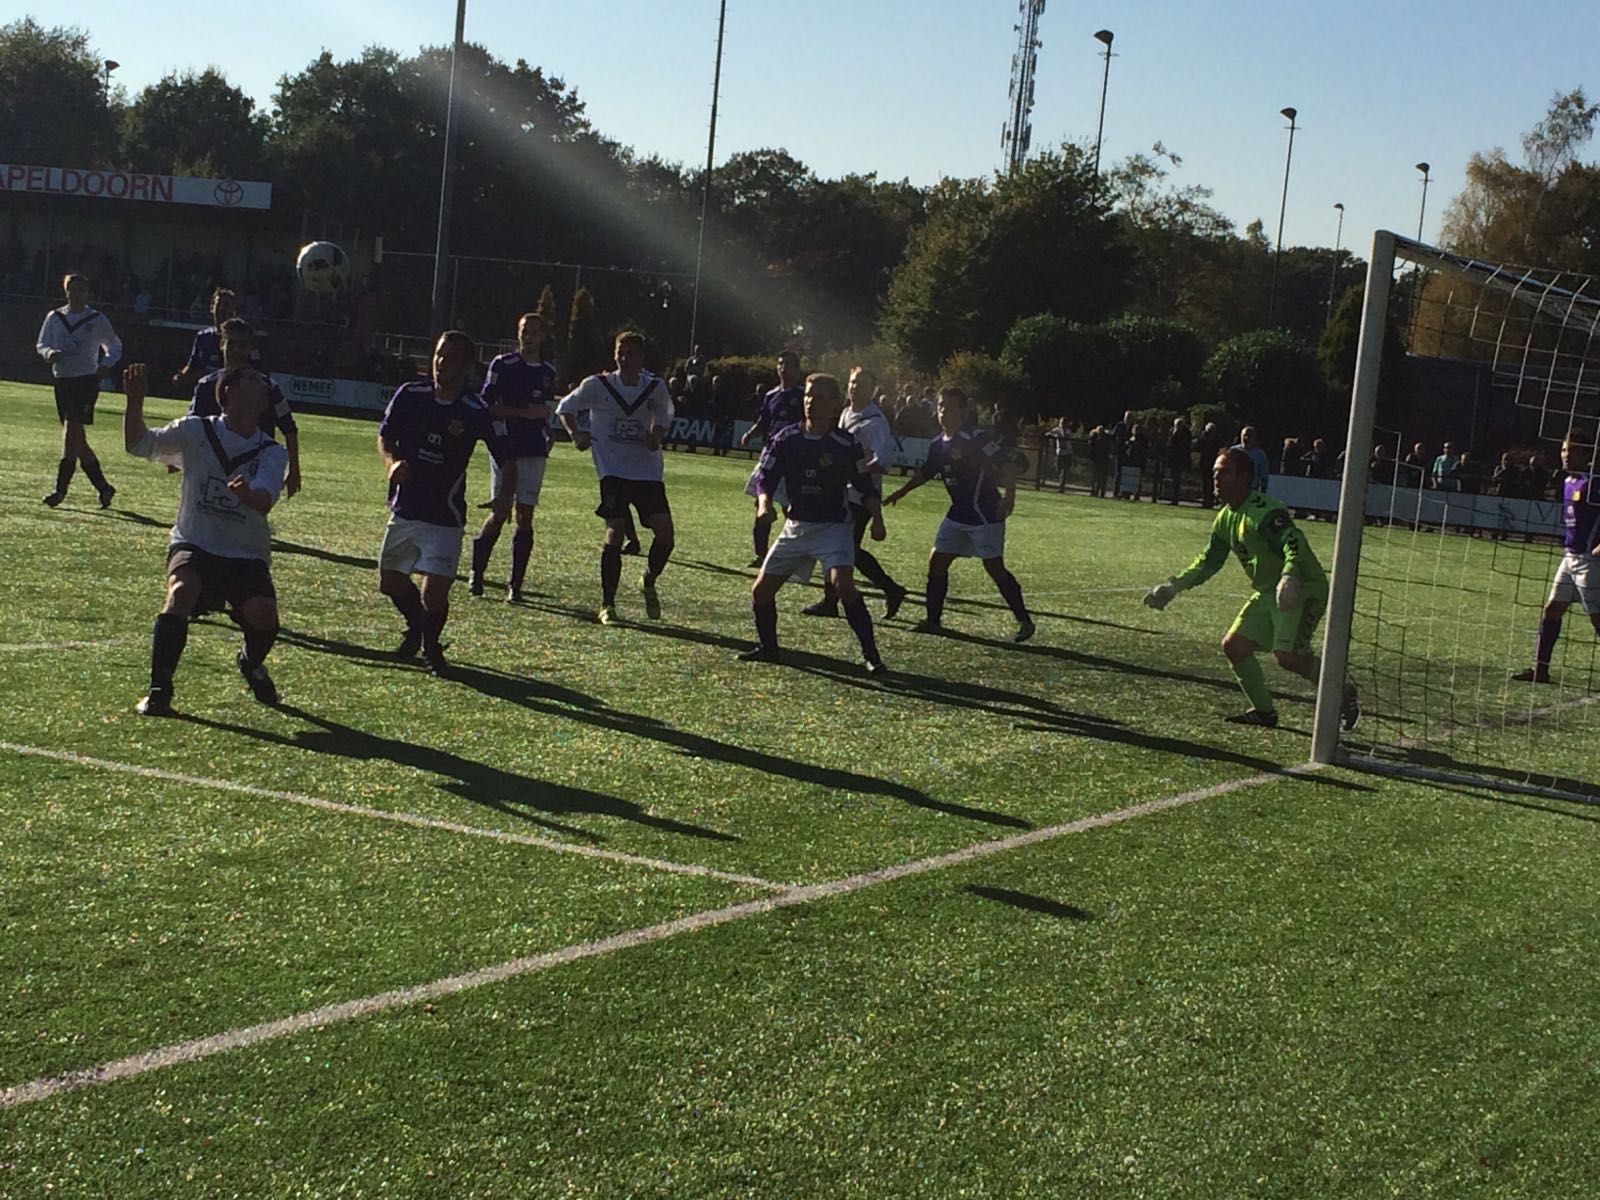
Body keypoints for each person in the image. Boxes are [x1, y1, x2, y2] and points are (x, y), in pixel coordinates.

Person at [1144, 447, 1360, 729]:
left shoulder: (1265, 511)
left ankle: (1343, 691)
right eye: (1215, 472)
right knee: (1235, 646)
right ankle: (1264, 712)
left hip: (1302, 587)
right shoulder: (1225, 517)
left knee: (1288, 657)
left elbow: (1293, 541)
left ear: (1244, 477)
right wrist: (1174, 586)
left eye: (1223, 472)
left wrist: (1290, 575)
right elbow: (1209, 561)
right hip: (1268, 591)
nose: (1216, 478)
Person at [121, 363, 288, 716]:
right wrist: (134, 402)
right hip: (195, 541)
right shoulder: (195, 430)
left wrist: (248, 496)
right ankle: (159, 690)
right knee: (181, 592)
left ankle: (250, 662)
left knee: (264, 616)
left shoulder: (272, 451)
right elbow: (139, 444)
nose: (264, 384)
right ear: (228, 391)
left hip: (245, 552)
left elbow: (265, 500)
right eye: (254, 379)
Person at [377, 331, 513, 677]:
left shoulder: (475, 410)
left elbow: (506, 459)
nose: (441, 363)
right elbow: (385, 436)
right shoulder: (410, 395)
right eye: (439, 355)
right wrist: (391, 463)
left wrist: (504, 497)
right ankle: (418, 627)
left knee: (435, 592)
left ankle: (431, 648)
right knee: (390, 582)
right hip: (406, 508)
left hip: (445, 515)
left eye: (451, 358)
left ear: (466, 367)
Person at [740, 373, 887, 674]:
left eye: (819, 397)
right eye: (808, 395)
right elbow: (766, 478)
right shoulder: (786, 439)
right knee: (761, 592)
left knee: (843, 585)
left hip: (834, 527)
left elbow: (865, 484)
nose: (810, 402)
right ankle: (769, 649)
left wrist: (877, 519)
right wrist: (764, 506)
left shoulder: (845, 444)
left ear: (834, 405)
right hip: (796, 527)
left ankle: (872, 657)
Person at [884, 386, 1035, 643]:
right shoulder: (937, 444)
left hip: (985, 513)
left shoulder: (976, 438)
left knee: (994, 567)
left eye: (950, 407)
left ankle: (1024, 620)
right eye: (941, 406)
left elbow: (1006, 462)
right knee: (937, 561)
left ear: (963, 411)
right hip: (958, 514)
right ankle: (933, 621)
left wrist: (1009, 495)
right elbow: (926, 472)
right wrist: (902, 491)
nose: (944, 411)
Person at [555, 330, 675, 626]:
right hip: (613, 470)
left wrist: (656, 436)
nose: (624, 358)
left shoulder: (655, 387)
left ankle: (648, 579)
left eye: (630, 353)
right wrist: (575, 434)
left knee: (665, 534)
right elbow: (565, 408)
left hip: (646, 471)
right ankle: (607, 604)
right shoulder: (598, 385)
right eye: (620, 352)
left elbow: (664, 415)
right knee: (615, 531)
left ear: (642, 358)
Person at [802, 366, 909, 619]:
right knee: (842, 548)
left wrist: (853, 471)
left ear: (873, 389)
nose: (854, 388)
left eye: (860, 384)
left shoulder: (876, 422)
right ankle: (887, 589)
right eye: (851, 382)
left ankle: (838, 599)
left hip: (861, 496)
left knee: (843, 547)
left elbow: (883, 461)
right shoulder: (846, 413)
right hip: (841, 492)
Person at [468, 313, 556, 602]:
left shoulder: (548, 371)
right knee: (500, 510)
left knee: (525, 515)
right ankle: (477, 572)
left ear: (542, 336)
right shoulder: (502, 365)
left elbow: (544, 409)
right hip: (506, 447)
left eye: (533, 332)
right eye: (524, 331)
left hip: (534, 449)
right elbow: (487, 405)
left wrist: (547, 429)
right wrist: (524, 414)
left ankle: (514, 586)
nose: (528, 337)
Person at [1512, 439, 1600, 683]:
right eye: (1563, 450)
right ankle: (1540, 670)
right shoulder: (1567, 482)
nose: (1565, 455)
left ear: (1586, 454)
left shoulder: (1594, 482)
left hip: (1590, 561)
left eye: (1571, 451)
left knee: (1597, 620)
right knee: (1552, 610)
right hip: (1569, 557)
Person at [36, 273, 122, 508]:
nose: (77, 294)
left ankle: (60, 490)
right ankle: (104, 487)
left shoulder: (97, 319)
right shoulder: (55, 317)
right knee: (78, 440)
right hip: (62, 381)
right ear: (66, 292)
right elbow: (42, 343)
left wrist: (105, 365)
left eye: (81, 290)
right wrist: (49, 353)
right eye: (72, 289)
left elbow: (115, 346)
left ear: (88, 293)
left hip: (85, 382)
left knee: (70, 433)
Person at [191, 318, 302, 498]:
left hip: (255, 471)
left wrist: (294, 470)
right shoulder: (206, 386)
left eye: (242, 345)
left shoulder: (267, 387)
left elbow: (289, 429)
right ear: (221, 344)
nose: (236, 350)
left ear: (250, 348)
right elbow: (193, 429)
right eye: (231, 343)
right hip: (213, 471)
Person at [739, 350, 805, 566]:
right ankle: (761, 555)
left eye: (788, 364)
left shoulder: (803, 396)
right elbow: (764, 421)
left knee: (791, 508)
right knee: (760, 503)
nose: (783, 368)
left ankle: (796, 554)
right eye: (780, 363)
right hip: (770, 456)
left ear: (797, 369)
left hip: (793, 459)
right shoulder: (771, 395)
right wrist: (750, 434)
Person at [172, 287, 259, 391]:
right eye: (219, 304)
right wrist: (181, 376)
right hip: (206, 391)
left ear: (234, 311)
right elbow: (193, 365)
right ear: (212, 308)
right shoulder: (203, 337)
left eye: (226, 305)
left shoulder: (242, 338)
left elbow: (256, 368)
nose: (222, 308)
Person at [1195, 421, 1226, 508]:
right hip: (1207, 461)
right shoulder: (1208, 436)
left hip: (1211, 461)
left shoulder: (1213, 437)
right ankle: (1207, 500)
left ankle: (1209, 500)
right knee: (1207, 482)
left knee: (1209, 482)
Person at [1234, 426, 1271, 494]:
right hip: (1235, 488)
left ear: (1254, 438)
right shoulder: (1233, 452)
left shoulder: (1260, 455)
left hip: (1251, 489)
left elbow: (1264, 475)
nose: (1246, 438)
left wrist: (1263, 491)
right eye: (1244, 435)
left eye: (1249, 436)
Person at [1165, 416, 1191, 504]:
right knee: (1173, 477)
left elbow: (1185, 445)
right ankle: (1173, 497)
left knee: (1177, 477)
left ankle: (1176, 497)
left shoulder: (1186, 433)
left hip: (1180, 458)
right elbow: (1169, 443)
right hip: (1173, 458)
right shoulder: (1171, 431)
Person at [1045, 417, 1073, 492]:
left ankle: (1061, 487)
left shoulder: (1068, 431)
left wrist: (1059, 434)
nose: (1062, 424)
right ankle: (1061, 484)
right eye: (1061, 423)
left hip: (1067, 453)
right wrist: (1053, 435)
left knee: (1064, 472)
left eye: (1063, 423)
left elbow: (1065, 437)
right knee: (1058, 469)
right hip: (1059, 453)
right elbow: (1048, 434)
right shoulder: (1057, 430)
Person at [1087, 425, 1112, 498]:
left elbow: (1107, 449)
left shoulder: (1105, 440)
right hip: (1096, 460)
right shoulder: (1094, 439)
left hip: (1103, 460)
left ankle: (1101, 492)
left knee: (1102, 477)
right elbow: (1090, 445)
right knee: (1095, 477)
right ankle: (1094, 490)